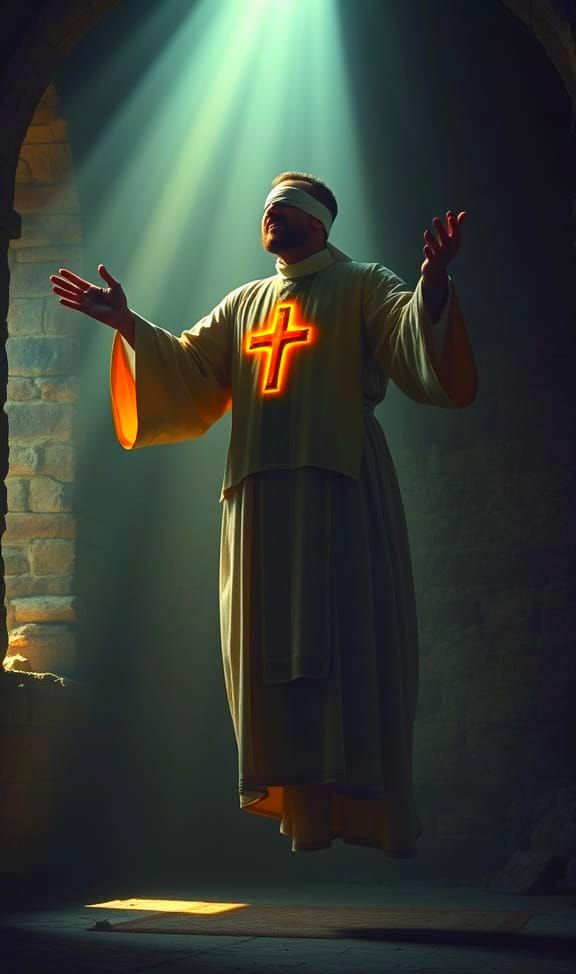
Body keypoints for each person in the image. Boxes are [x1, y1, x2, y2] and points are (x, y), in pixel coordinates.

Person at [50, 171, 477, 856]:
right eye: (267, 208)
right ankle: (301, 805)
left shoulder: (362, 282)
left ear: (319, 223)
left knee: (344, 641)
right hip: (258, 500)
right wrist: (127, 324)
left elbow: (410, 335)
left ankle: (360, 795)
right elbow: (188, 369)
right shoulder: (246, 303)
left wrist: (432, 282)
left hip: (337, 487)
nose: (271, 216)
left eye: (286, 208)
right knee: (270, 657)